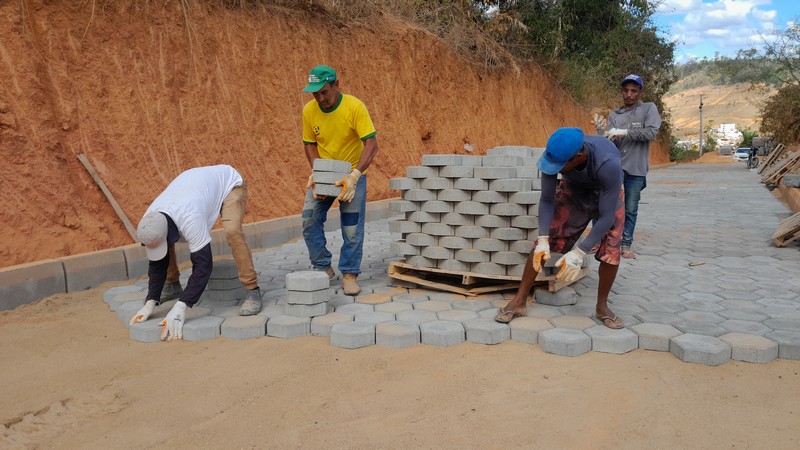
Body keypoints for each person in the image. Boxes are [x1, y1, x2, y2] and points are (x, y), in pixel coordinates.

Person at [495, 127, 626, 329]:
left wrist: (580, 252)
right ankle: (520, 301)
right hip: (574, 189)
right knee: (544, 241)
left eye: (560, 165)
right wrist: (543, 238)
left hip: (607, 192)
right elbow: (547, 200)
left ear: (578, 156)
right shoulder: (554, 155)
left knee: (611, 247)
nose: (554, 167)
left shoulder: (608, 163)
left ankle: (602, 307)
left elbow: (607, 216)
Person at [129, 165, 262, 340]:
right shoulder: (151, 219)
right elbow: (156, 264)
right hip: (195, 189)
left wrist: (181, 306)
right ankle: (173, 285)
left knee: (232, 231)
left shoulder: (190, 218)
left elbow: (203, 265)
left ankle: (253, 290)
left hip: (229, 183)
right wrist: (150, 301)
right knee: (163, 241)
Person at [300, 64, 379, 296]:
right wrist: (317, 172)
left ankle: (349, 273)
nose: (320, 98)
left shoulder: (354, 107)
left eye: (324, 91)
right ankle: (322, 266)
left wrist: (354, 176)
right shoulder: (309, 111)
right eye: (315, 93)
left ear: (336, 85)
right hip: (325, 173)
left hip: (351, 173)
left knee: (352, 227)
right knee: (308, 218)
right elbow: (309, 143)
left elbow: (372, 144)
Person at [605, 74, 661, 259]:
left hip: (636, 169)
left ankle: (625, 244)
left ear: (640, 92)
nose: (629, 94)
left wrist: (623, 132)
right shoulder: (614, 115)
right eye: (626, 90)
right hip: (615, 168)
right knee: (606, 205)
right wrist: (605, 135)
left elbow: (651, 133)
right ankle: (604, 242)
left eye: (633, 91)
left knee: (630, 208)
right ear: (621, 91)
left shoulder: (648, 109)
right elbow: (611, 145)